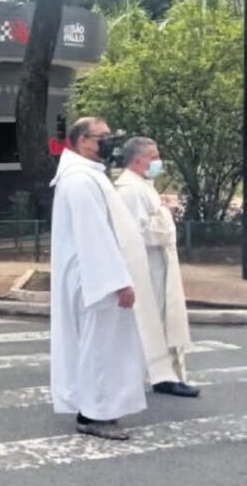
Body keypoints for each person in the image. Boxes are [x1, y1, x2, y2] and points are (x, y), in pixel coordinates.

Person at [50, 117, 147, 440]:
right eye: (101, 137)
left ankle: (99, 408)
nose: (109, 141)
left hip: (94, 275)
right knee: (99, 348)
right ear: (81, 142)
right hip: (95, 279)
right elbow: (95, 237)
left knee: (103, 346)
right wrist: (118, 281)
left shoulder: (89, 176)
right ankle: (94, 413)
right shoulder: (80, 181)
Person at [116, 137, 198, 398]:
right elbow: (136, 232)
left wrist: (162, 212)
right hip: (148, 267)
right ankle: (162, 375)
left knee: (164, 318)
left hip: (159, 263)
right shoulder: (130, 189)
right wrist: (166, 215)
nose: (158, 161)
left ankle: (167, 374)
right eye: (154, 157)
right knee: (155, 320)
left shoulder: (142, 185)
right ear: (138, 160)